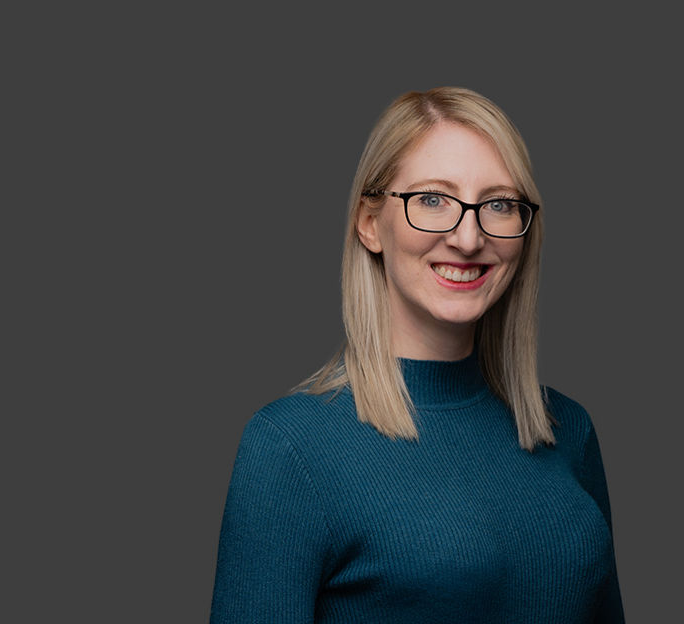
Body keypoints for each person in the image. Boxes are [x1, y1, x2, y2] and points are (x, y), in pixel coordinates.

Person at [208, 87, 625, 623]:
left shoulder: (568, 431)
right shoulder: (291, 448)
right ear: (369, 223)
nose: (468, 238)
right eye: (432, 199)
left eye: (498, 204)